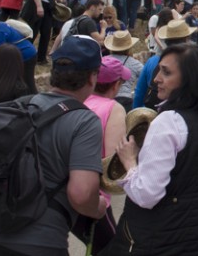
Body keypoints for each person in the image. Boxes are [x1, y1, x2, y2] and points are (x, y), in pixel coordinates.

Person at [0, 36, 107, 256]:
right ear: (92, 77)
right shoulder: (85, 121)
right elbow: (81, 194)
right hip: (41, 243)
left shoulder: (22, 105)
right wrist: (97, 207)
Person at [104, 43, 198, 255]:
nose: (156, 78)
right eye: (159, 70)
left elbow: (147, 195)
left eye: (166, 72)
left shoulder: (169, 121)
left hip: (161, 238)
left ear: (190, 79)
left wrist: (130, 161)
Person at [73, 56, 128, 254]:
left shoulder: (78, 100)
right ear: (115, 85)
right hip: (93, 194)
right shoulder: (113, 108)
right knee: (113, 247)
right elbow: (113, 162)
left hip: (66, 188)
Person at [0, 17, 38, 93]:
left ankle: (35, 101)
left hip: (26, 55)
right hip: (22, 53)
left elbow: (0, 54)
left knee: (28, 83)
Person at [104, 30, 142, 111]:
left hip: (107, 98)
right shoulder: (135, 64)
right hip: (127, 100)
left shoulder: (105, 60)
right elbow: (144, 78)